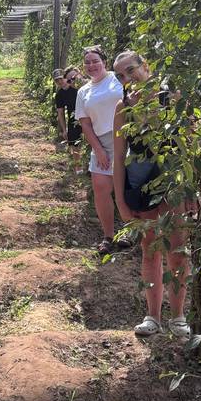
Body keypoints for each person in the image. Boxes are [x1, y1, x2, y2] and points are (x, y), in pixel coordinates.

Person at [112, 51, 192, 339]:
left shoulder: (172, 99)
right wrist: (120, 202)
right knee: (150, 250)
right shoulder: (123, 108)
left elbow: (188, 144)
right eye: (120, 76)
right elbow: (119, 157)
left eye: (130, 70)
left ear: (146, 66)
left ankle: (179, 316)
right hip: (143, 184)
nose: (127, 78)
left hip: (173, 184)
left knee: (178, 251)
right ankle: (153, 317)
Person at [74, 45, 124, 255]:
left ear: (104, 61)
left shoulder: (118, 79)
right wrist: (99, 150)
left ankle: (130, 232)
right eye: (87, 62)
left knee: (125, 189)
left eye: (95, 61)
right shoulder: (83, 91)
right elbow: (85, 124)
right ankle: (108, 236)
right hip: (101, 142)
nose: (91, 65)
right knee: (101, 189)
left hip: (125, 137)